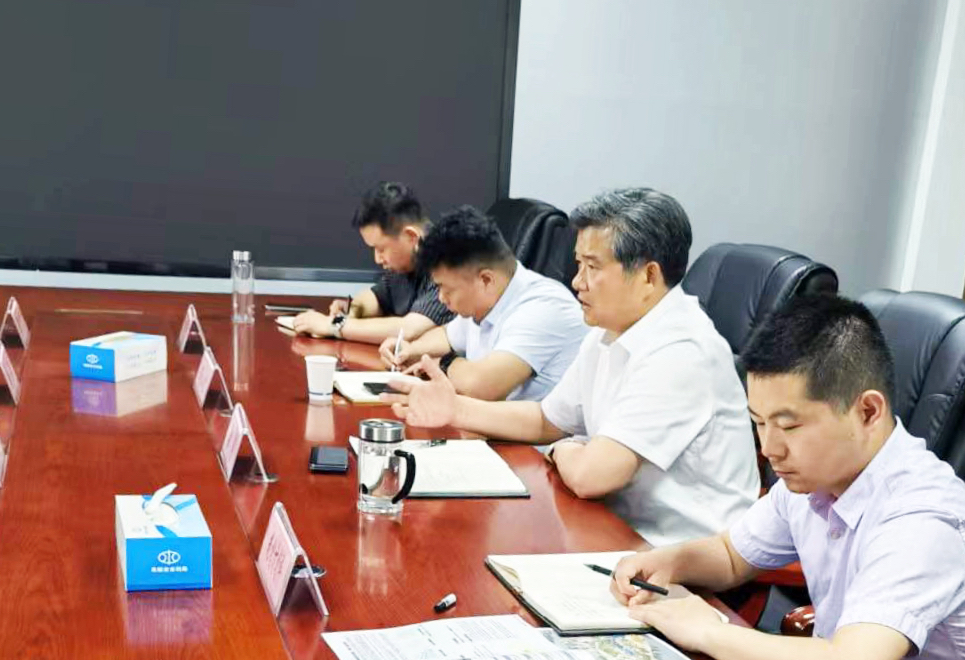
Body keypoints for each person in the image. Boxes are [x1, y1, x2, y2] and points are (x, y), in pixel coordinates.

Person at [609, 293, 965, 660]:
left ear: (868, 411)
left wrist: (708, 631)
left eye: (789, 425)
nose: (769, 449)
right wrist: (670, 562)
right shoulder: (811, 479)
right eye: (758, 423)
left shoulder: (923, 517)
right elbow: (732, 555)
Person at [388, 187, 757, 545]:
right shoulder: (607, 331)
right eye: (578, 264)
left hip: (676, 556)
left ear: (648, 276)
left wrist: (563, 448)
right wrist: (455, 409)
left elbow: (590, 476)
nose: (577, 281)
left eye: (592, 267)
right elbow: (547, 421)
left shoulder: (681, 351)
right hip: (614, 530)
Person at [378, 205, 585, 401]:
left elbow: (482, 386)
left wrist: (442, 363)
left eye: (446, 288)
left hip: (534, 428)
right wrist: (409, 351)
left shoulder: (544, 307)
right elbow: (447, 336)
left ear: (485, 280)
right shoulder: (487, 300)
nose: (441, 297)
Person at [289, 182, 452, 344]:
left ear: (411, 237)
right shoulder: (404, 263)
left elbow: (408, 330)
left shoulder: (449, 261)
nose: (377, 259)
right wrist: (352, 309)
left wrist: (334, 325)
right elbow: (377, 298)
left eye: (381, 249)